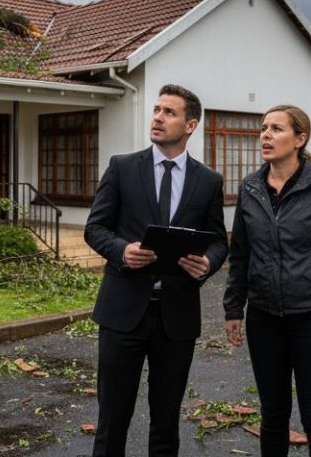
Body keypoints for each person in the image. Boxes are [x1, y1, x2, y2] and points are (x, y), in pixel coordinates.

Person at [85, 84, 229, 456]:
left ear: (190, 124)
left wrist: (209, 262)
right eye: (156, 110)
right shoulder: (122, 167)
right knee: (112, 420)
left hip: (176, 318)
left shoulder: (208, 181)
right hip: (122, 313)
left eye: (169, 112)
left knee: (166, 422)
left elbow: (218, 240)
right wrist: (121, 251)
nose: (158, 118)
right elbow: (95, 228)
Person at [222, 104, 311, 457]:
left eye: (276, 129)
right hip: (264, 318)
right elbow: (240, 253)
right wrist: (232, 309)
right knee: (272, 416)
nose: (265, 135)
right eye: (263, 128)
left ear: (299, 139)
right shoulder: (251, 187)